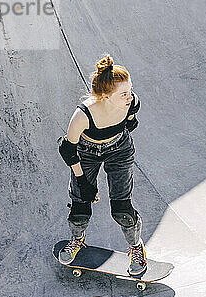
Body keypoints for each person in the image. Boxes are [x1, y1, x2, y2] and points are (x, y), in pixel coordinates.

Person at [57, 55, 146, 275]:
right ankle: (77, 240)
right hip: (85, 154)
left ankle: (136, 248)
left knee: (122, 210)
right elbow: (67, 149)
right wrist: (82, 180)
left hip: (120, 150)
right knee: (80, 204)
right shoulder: (83, 115)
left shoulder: (131, 101)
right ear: (105, 96)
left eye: (130, 90)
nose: (129, 96)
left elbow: (134, 108)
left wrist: (130, 119)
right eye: (123, 94)